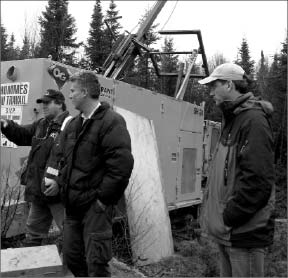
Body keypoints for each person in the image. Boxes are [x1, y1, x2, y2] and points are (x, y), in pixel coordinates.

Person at [46, 71, 134, 277]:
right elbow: (66, 161)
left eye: (73, 91)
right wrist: (60, 182)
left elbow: (121, 167)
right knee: (72, 257)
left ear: (85, 92)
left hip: (95, 208)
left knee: (96, 264)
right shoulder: (75, 124)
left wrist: (102, 201)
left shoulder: (112, 121)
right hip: (73, 206)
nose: (69, 95)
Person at [198, 63, 275, 277]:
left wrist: (229, 216)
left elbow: (258, 182)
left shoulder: (253, 121)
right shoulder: (234, 119)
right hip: (229, 233)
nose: (211, 91)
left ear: (229, 85)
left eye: (214, 85)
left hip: (243, 235)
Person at [0, 89, 71, 247]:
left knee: (71, 234)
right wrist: (5, 125)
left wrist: (59, 183)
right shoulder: (41, 124)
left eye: (47, 102)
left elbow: (76, 161)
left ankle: (77, 269)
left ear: (59, 103)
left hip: (59, 195)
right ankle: (31, 269)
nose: (43, 106)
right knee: (32, 236)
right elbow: (22, 135)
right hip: (40, 193)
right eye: (42, 103)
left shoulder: (70, 126)